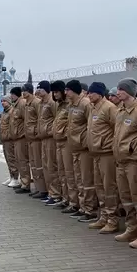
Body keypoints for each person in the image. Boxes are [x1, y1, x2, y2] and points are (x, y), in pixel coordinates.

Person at [113, 78, 137, 248]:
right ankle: (131, 228)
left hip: (132, 161)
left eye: (121, 89)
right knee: (126, 197)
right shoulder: (120, 110)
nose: (118, 92)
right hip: (120, 160)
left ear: (129, 91)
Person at [86, 82, 120, 233]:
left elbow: (117, 129)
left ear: (99, 94)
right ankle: (104, 216)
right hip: (96, 153)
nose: (89, 95)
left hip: (107, 154)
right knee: (99, 187)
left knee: (109, 187)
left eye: (91, 93)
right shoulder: (93, 108)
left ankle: (112, 220)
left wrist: (109, 144)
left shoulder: (109, 108)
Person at [65, 80, 97, 222]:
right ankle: (82, 207)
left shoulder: (85, 104)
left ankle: (89, 210)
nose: (66, 93)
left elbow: (91, 126)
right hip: (74, 146)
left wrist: (85, 142)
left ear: (75, 90)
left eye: (68, 90)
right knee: (78, 178)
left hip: (83, 148)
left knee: (86, 180)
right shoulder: (71, 105)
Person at [36, 81, 61, 204]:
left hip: (50, 138)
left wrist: (51, 131)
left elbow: (57, 118)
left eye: (40, 89)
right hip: (44, 138)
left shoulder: (52, 102)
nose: (38, 91)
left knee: (52, 166)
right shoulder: (41, 103)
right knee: (46, 166)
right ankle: (50, 192)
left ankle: (55, 194)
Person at [51, 81, 75, 211]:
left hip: (66, 142)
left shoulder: (69, 105)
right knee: (62, 172)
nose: (55, 94)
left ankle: (73, 201)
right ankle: (65, 198)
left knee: (69, 172)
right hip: (58, 141)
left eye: (57, 92)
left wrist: (65, 133)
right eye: (53, 92)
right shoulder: (59, 105)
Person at [22, 83, 47, 198]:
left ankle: (42, 189)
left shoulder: (36, 103)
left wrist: (36, 131)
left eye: (25, 91)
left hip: (36, 137)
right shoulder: (27, 104)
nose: (23, 93)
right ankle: (37, 187)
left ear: (29, 91)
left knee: (38, 164)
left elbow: (39, 118)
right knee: (33, 164)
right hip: (30, 137)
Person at [9, 87, 32, 193]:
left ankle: (26, 184)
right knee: (19, 161)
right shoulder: (16, 105)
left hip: (22, 137)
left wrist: (23, 133)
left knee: (23, 161)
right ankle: (23, 182)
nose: (10, 97)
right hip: (17, 137)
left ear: (16, 95)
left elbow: (26, 119)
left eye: (12, 94)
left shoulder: (22, 104)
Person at [0, 95, 19, 187]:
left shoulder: (11, 112)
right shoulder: (4, 112)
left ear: (9, 102)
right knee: (7, 159)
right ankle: (11, 176)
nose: (3, 103)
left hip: (9, 139)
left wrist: (10, 135)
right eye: (2, 101)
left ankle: (15, 178)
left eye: (5, 101)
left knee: (11, 159)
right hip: (4, 138)